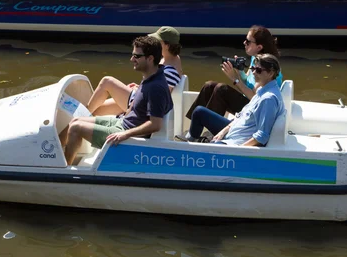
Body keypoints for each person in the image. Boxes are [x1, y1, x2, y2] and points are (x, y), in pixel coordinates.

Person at [61, 36, 173, 165]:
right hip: (123, 121)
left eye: (136, 56)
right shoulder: (151, 75)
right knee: (74, 120)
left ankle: (64, 168)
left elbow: (155, 125)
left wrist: (125, 134)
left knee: (76, 128)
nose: (132, 59)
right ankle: (53, 153)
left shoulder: (156, 87)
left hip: (125, 132)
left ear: (150, 58)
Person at [178, 54, 284, 146]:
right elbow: (241, 116)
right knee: (199, 112)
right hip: (233, 131)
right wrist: (223, 132)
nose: (254, 73)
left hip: (236, 142)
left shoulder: (268, 99)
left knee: (212, 148)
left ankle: (194, 148)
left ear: (271, 73)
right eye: (253, 69)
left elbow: (262, 137)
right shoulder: (262, 90)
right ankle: (191, 143)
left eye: (258, 70)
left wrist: (237, 150)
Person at [186, 25, 283, 119]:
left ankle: (212, 129)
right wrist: (239, 71)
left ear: (259, 47)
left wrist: (235, 79)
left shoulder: (266, 68)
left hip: (255, 109)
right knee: (209, 85)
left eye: (248, 42)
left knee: (221, 89)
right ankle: (193, 129)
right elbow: (247, 82)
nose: (244, 43)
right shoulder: (256, 59)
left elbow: (255, 98)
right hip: (247, 102)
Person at [87, 26, 182, 117]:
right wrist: (139, 87)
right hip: (137, 96)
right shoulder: (171, 58)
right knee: (96, 110)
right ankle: (82, 118)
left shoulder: (170, 71)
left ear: (167, 45)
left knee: (107, 81)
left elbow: (159, 97)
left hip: (140, 105)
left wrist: (138, 91)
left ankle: (79, 117)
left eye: (158, 41)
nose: (154, 43)